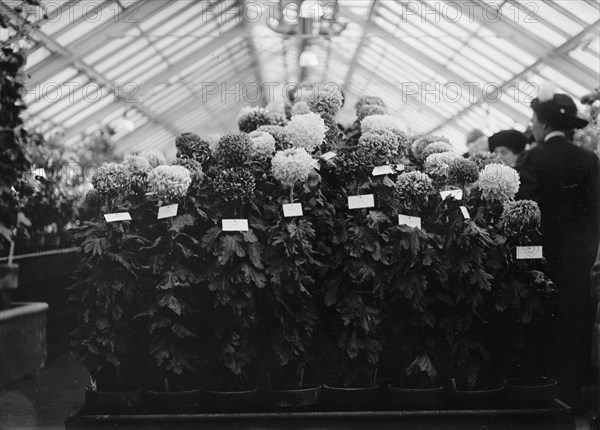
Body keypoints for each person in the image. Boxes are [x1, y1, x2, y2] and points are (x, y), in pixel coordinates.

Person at [517, 88, 600, 410]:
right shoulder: (588, 159)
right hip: (580, 256)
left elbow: (526, 209)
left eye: (533, 119)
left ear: (541, 122)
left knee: (545, 319)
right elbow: (596, 209)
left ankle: (544, 394)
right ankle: (572, 393)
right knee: (577, 320)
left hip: (543, 256)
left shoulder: (534, 157)